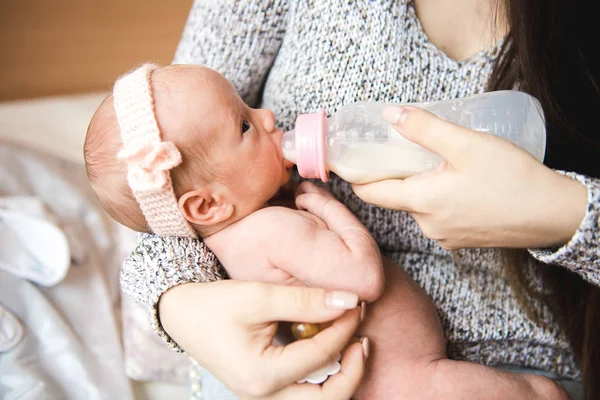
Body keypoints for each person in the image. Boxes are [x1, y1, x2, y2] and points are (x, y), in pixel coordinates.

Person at [120, 0, 600, 399]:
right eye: (245, 124)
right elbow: (158, 194)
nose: (266, 116)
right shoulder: (269, 223)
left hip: (530, 348)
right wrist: (177, 301)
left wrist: (566, 213)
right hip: (364, 376)